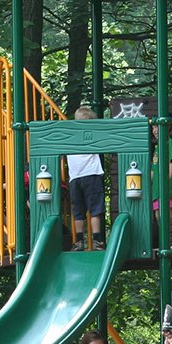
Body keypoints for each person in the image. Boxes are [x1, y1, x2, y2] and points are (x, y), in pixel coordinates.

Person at [67, 106, 107, 252]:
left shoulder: (69, 136)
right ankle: (97, 241)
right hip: (92, 175)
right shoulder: (93, 134)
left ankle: (78, 242)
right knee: (95, 209)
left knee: (78, 211)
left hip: (75, 178)